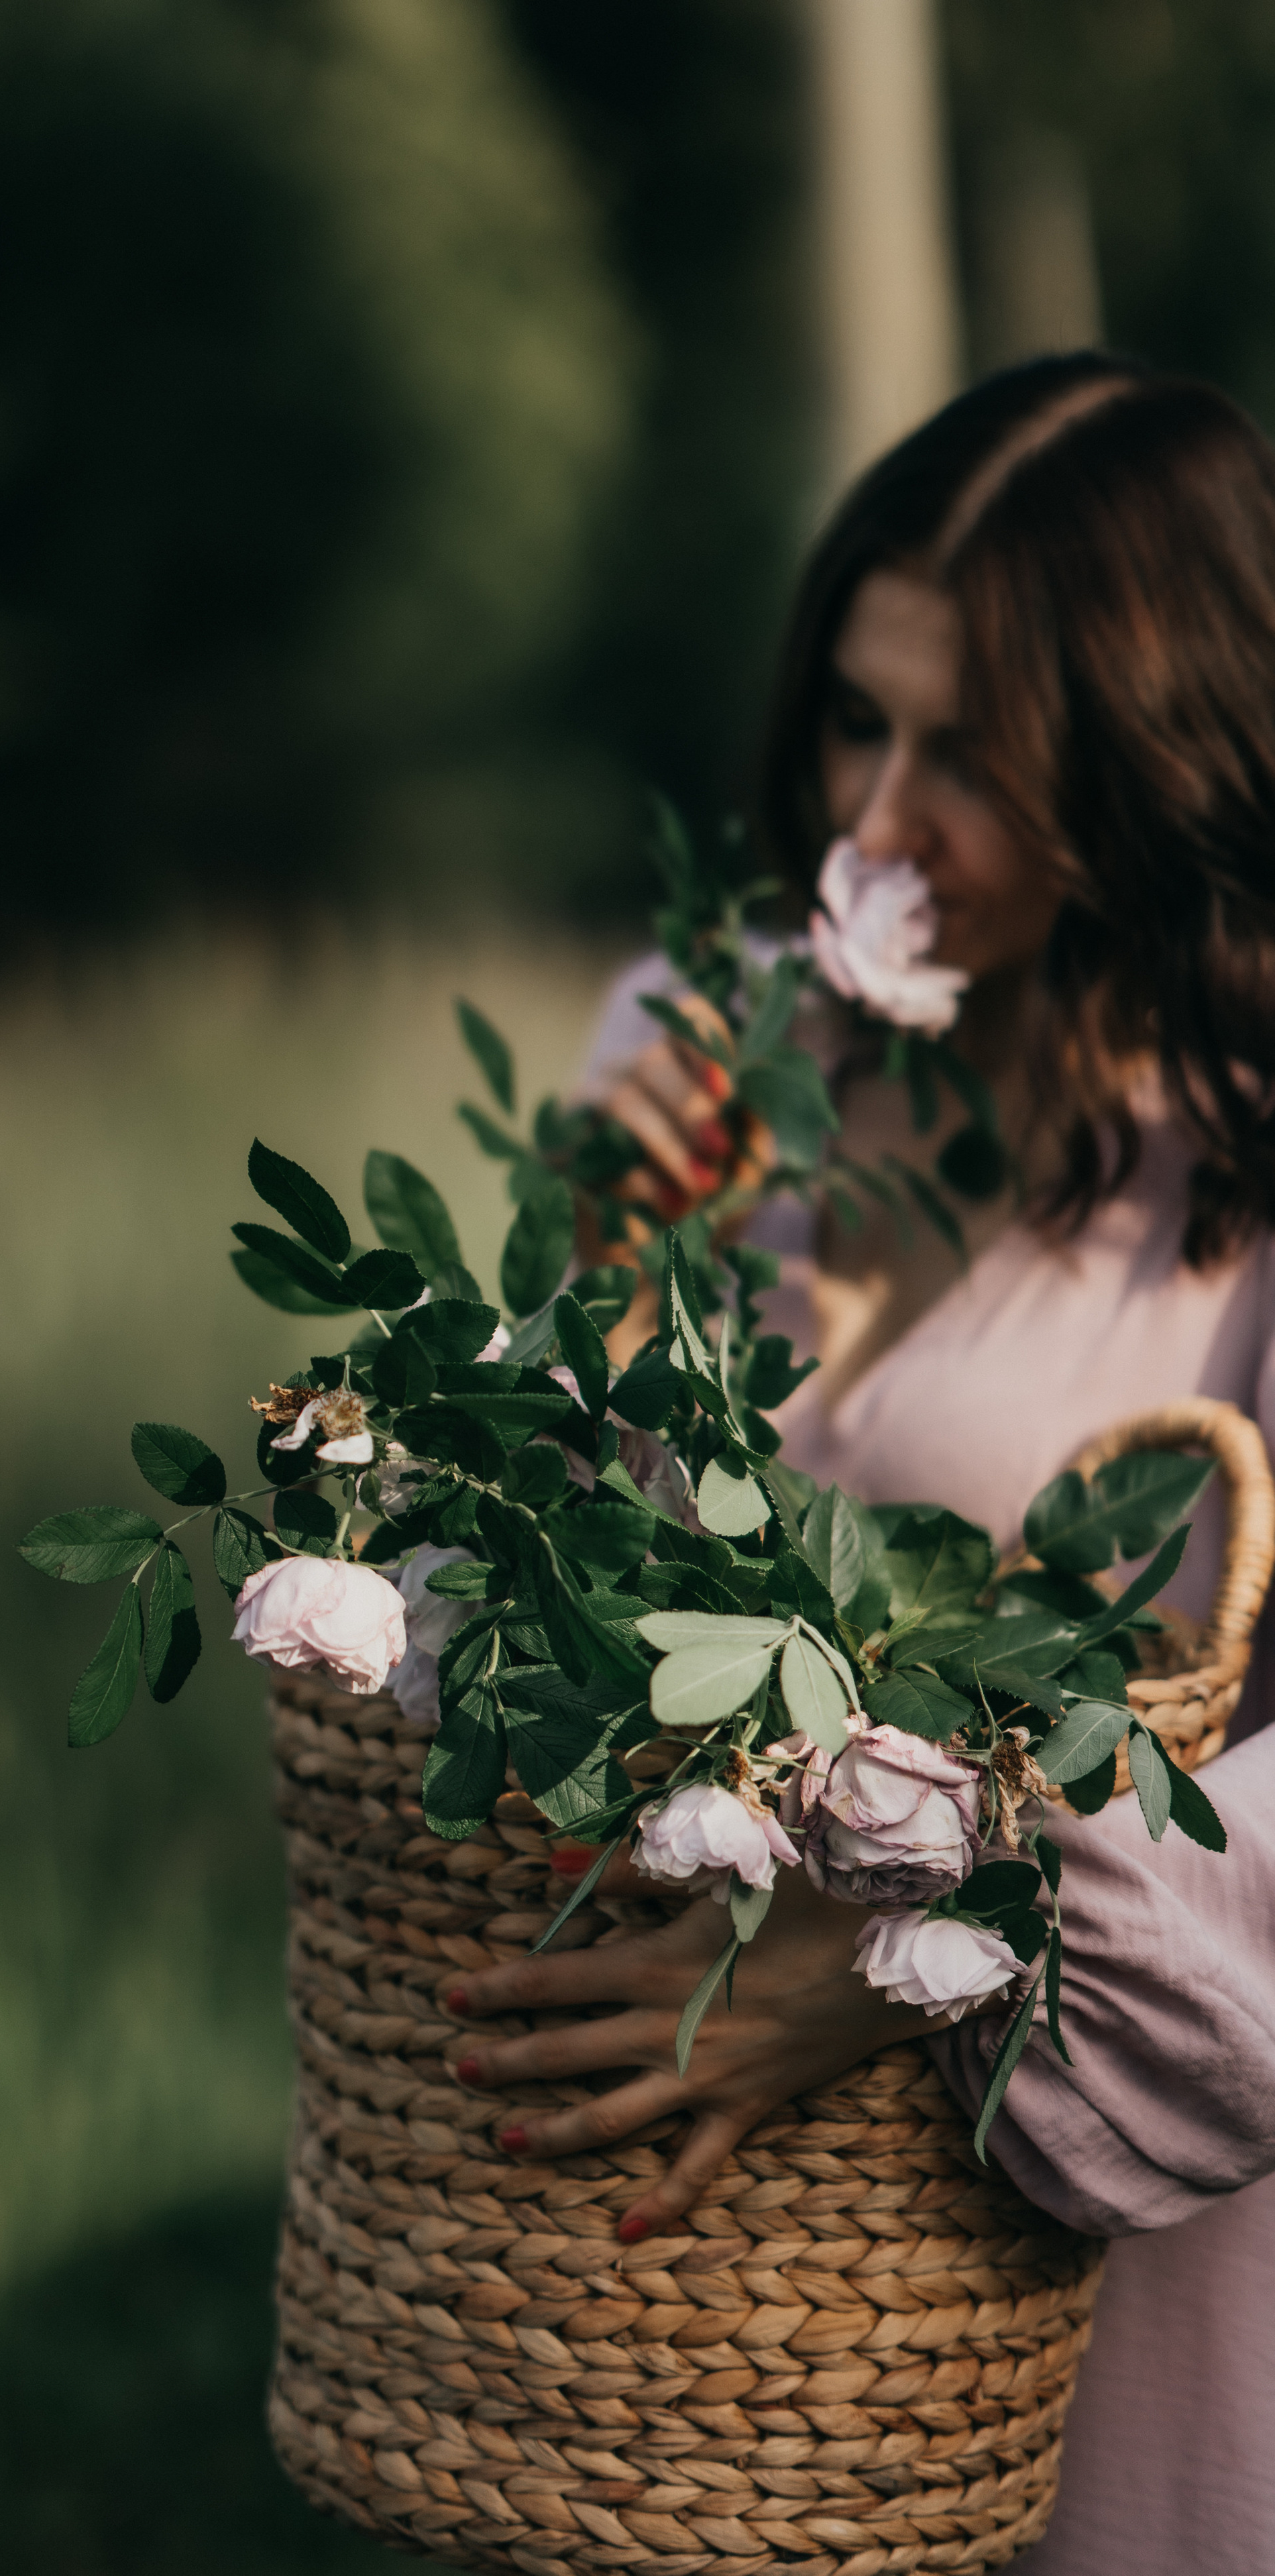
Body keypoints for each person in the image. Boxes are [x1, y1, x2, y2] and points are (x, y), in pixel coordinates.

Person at [443, 354, 1275, 2574]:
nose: (874, 827)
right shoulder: (704, 1032)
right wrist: (592, 1280)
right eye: (852, 722)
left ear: (1156, 765)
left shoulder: (1250, 1160)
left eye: (971, 759)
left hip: (1107, 2253)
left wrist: (929, 1939)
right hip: (685, 2317)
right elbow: (507, 1595)